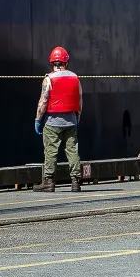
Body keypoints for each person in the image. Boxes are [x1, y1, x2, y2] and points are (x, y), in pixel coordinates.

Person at [34, 45, 83, 191]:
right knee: (72, 151)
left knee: (51, 151)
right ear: (66, 63)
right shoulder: (75, 78)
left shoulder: (48, 79)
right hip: (71, 121)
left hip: (52, 122)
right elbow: (80, 101)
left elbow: (43, 101)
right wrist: (77, 117)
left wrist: (38, 119)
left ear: (52, 63)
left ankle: (48, 182)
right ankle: (75, 182)